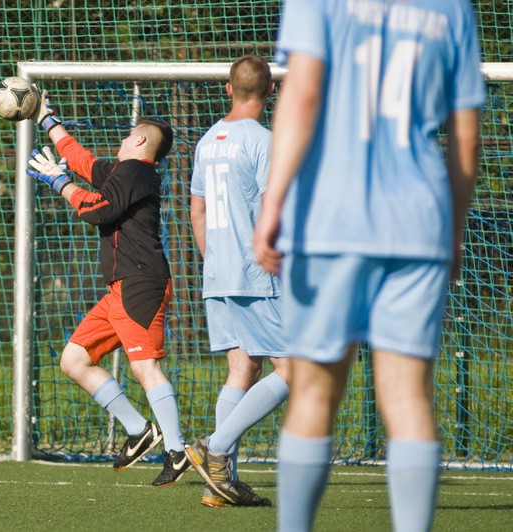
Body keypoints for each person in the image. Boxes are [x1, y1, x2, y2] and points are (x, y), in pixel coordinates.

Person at [252, 1, 485, 530]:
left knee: (313, 392)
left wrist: (273, 203)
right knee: (407, 396)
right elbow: (466, 137)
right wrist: (451, 228)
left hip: (328, 220)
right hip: (418, 223)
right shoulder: (453, 8)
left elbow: (304, 92)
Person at [26, 89, 191, 487]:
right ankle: (139, 431)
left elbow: (99, 210)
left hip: (140, 283)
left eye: (124, 136)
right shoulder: (124, 173)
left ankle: (177, 451)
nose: (118, 142)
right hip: (120, 287)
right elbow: (82, 159)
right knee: (74, 360)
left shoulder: (136, 172)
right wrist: (48, 122)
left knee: (144, 366)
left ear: (138, 140)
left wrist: (59, 181)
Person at [184, 55, 289, 508]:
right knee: (295, 371)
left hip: (218, 272)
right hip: (257, 273)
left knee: (242, 370)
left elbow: (197, 211)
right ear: (270, 93)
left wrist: (215, 263)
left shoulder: (207, 141)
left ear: (228, 89)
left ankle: (219, 487)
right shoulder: (266, 141)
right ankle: (216, 446)